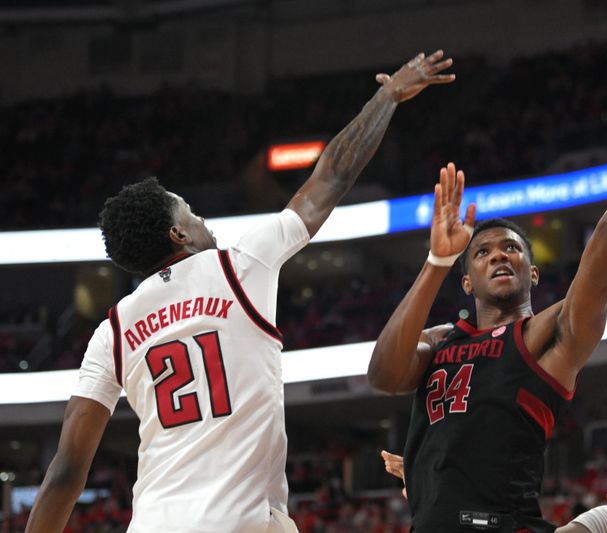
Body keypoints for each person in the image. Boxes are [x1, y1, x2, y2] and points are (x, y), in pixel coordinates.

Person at [25, 50, 455, 533]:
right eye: (189, 212)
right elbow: (331, 177)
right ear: (177, 235)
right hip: (242, 522)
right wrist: (388, 96)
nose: (201, 218)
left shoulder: (113, 331)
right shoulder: (239, 267)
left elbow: (65, 471)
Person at [367, 96, 607, 532]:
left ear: (534, 272)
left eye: (512, 248)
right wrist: (436, 261)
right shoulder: (440, 339)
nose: (498, 256)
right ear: (466, 281)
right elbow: (384, 375)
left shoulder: (549, 337)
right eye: (482, 253)